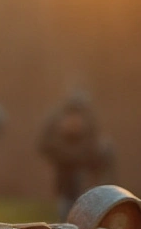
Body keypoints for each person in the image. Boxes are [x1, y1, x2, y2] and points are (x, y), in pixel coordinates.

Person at [38, 90, 114, 221]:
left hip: (84, 178)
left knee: (84, 215)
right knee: (66, 212)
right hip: (65, 177)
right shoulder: (57, 126)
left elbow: (96, 153)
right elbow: (44, 146)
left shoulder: (90, 127)